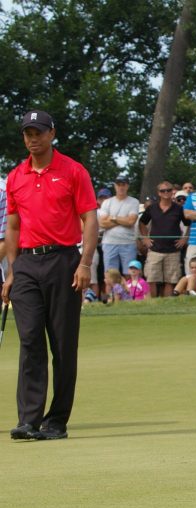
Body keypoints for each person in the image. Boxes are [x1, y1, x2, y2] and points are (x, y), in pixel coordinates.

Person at [4, 110, 98, 440]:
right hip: (27, 265)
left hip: (64, 261)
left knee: (62, 343)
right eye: (28, 133)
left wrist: (85, 263)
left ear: (51, 134)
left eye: (38, 132)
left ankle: (56, 420)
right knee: (30, 340)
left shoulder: (74, 171)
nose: (32, 138)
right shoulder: (15, 177)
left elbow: (90, 220)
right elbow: (13, 227)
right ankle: (28, 420)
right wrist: (12, 272)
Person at [138, 181, 189, 297]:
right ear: (158, 193)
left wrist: (184, 239)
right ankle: (152, 305)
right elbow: (141, 223)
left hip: (173, 250)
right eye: (163, 191)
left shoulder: (178, 209)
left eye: (169, 190)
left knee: (170, 280)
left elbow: (188, 224)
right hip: (155, 250)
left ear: (172, 192)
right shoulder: (152, 208)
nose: (166, 193)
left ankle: (166, 304)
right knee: (151, 279)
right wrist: (145, 238)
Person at [98, 173, 139, 275]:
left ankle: (129, 292)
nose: (121, 187)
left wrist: (113, 218)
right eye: (118, 184)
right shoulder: (107, 202)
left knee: (129, 275)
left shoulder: (134, 202)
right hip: (109, 242)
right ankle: (113, 292)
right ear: (115, 186)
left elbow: (131, 222)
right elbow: (102, 223)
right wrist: (123, 220)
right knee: (110, 276)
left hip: (128, 243)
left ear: (127, 186)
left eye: (123, 184)